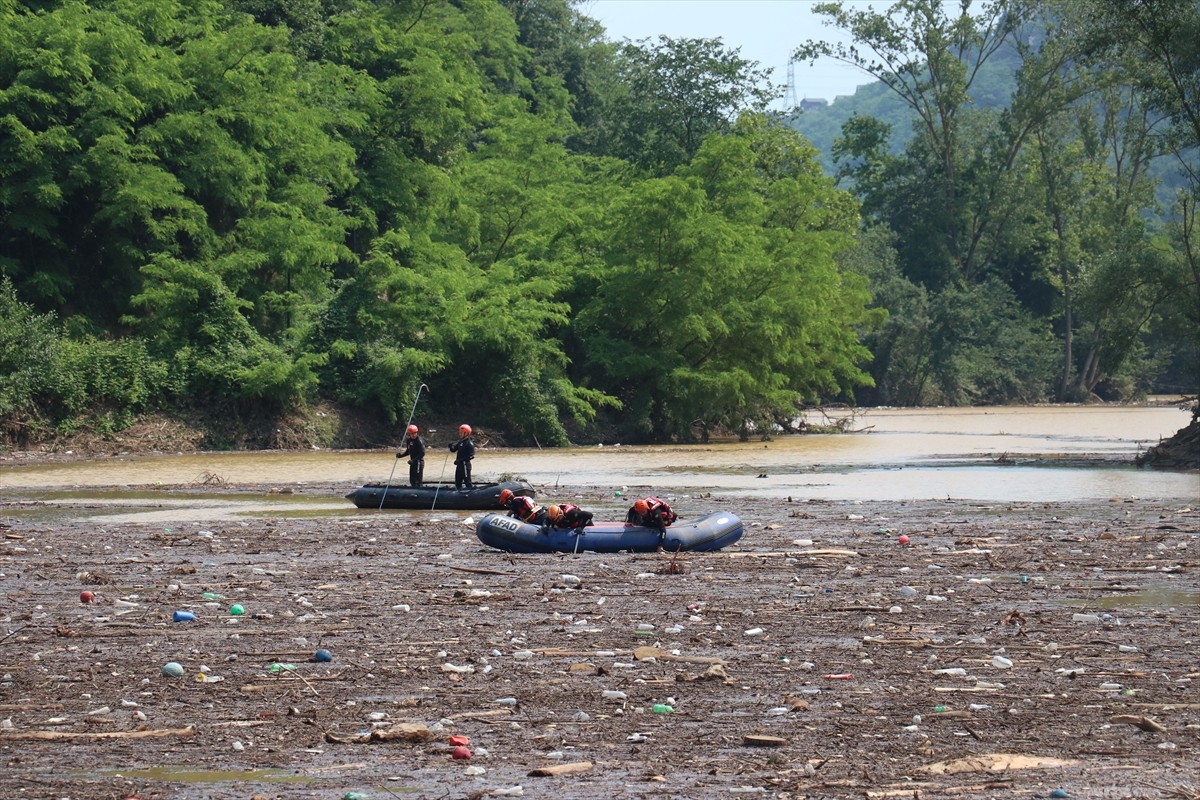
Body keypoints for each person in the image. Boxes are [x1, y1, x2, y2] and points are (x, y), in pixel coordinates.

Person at [449, 423, 475, 490]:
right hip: (459, 466)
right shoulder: (460, 442)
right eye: (459, 432)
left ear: (466, 433)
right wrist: (451, 447)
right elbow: (454, 450)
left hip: (465, 465)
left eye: (461, 432)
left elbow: (471, 456)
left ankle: (470, 493)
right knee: (458, 482)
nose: (459, 434)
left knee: (467, 482)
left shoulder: (469, 443)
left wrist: (460, 460)